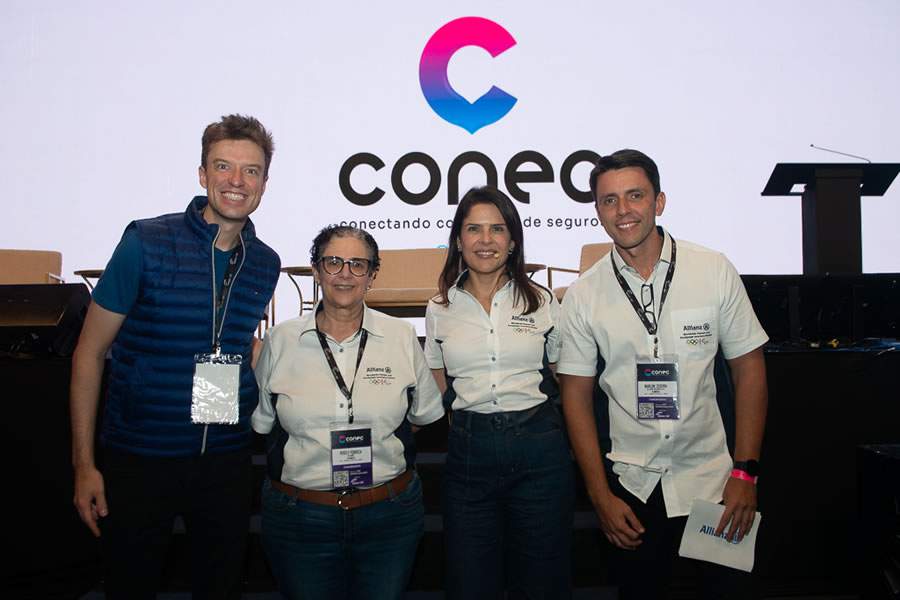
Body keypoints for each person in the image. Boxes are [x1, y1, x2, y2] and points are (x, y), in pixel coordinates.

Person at [70, 114, 281, 599]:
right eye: (223, 166)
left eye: (250, 171)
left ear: (264, 183)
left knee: (221, 586)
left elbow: (230, 344)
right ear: (203, 173)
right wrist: (84, 465)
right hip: (140, 459)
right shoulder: (145, 242)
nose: (236, 181)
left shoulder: (264, 263)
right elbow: (89, 353)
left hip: (224, 461)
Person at [557, 149, 768, 599]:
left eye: (635, 195)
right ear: (597, 210)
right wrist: (599, 496)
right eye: (609, 200)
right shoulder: (583, 294)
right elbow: (575, 397)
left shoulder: (712, 270)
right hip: (632, 490)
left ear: (660, 201)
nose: (623, 210)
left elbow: (749, 369)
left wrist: (746, 475)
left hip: (714, 485)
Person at [252, 225, 444, 600]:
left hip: (388, 515)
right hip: (301, 517)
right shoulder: (281, 340)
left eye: (358, 264)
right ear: (317, 270)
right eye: (334, 262)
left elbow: (423, 415)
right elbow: (263, 422)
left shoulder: (402, 337)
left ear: (372, 275)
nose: (345, 273)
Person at [425, 186, 575, 599]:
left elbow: (562, 372)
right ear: (458, 239)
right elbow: (437, 374)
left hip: (539, 452)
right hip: (470, 454)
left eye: (497, 229)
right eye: (474, 229)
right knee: (470, 579)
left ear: (512, 242)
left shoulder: (542, 300)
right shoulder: (440, 307)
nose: (485, 240)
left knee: (543, 580)